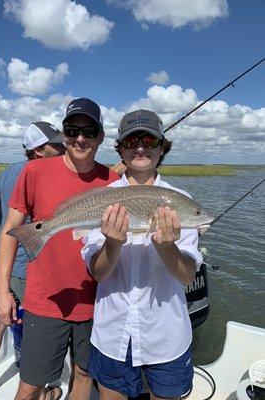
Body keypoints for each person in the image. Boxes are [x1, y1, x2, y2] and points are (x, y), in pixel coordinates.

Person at [0, 98, 119, 400]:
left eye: (89, 131)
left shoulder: (115, 182)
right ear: (63, 134)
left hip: (96, 302)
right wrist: (2, 292)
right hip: (44, 300)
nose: (80, 138)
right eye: (72, 130)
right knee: (30, 385)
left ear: (101, 136)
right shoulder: (34, 172)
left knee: (84, 375)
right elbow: (10, 232)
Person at [81, 109, 203, 400]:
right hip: (113, 334)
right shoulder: (103, 199)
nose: (140, 148)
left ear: (162, 148)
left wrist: (166, 246)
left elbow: (187, 276)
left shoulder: (179, 201)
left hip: (166, 336)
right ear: (120, 149)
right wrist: (112, 244)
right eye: (131, 141)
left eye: (149, 141)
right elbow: (97, 273)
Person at [0, 122, 65, 400]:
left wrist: (7, 229)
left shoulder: (8, 171)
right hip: (31, 267)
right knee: (40, 331)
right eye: (56, 145)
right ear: (38, 150)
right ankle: (45, 390)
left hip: (1, 263)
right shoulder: (47, 173)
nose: (63, 148)